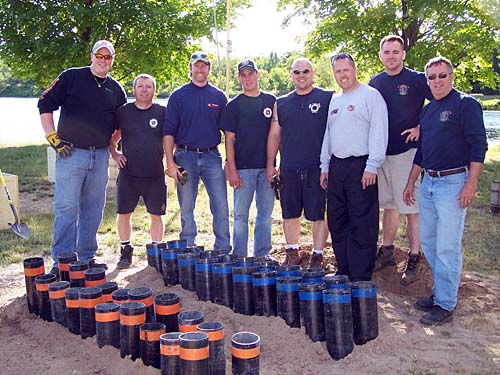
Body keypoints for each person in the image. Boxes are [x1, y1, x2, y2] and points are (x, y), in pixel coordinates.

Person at [403, 56, 487, 325]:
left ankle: (446, 304)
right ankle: (439, 293)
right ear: (426, 81)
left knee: (447, 247)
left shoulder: (466, 104)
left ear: (452, 76)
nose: (437, 81)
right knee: (429, 242)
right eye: (432, 77)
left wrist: (471, 183)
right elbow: (423, 150)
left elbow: (478, 145)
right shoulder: (428, 110)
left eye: (442, 75)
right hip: (428, 182)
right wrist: (410, 182)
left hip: (453, 183)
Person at [38, 40, 127, 275]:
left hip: (99, 157)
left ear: (112, 60)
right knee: (66, 207)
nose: (103, 60)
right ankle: (62, 262)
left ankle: (86, 257)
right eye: (100, 55)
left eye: (108, 57)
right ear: (92, 55)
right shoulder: (71, 78)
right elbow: (44, 103)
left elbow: (121, 124)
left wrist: (112, 145)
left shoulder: (116, 90)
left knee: (93, 208)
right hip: (70, 154)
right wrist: (52, 137)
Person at [369, 35, 433, 285]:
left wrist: (421, 126)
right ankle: (387, 251)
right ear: (381, 55)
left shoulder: (416, 79)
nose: (391, 56)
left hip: (407, 153)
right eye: (387, 52)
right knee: (389, 205)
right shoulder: (375, 83)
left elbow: (439, 100)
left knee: (411, 206)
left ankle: (415, 256)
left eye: (396, 51)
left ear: (403, 54)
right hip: (382, 152)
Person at [320, 53, 388, 281]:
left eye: (345, 69)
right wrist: (325, 166)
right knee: (337, 220)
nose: (342, 74)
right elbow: (328, 135)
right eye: (337, 71)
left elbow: (379, 132)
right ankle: (344, 270)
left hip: (362, 166)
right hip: (337, 167)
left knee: (362, 221)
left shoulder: (370, 96)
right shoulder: (335, 100)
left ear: (354, 69)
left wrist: (372, 166)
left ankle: (360, 275)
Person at [266, 57, 332, 268]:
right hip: (289, 167)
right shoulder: (282, 103)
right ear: (291, 75)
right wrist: (270, 163)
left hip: (318, 167)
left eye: (305, 71)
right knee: (290, 212)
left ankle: (317, 254)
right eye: (297, 72)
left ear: (313, 74)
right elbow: (275, 135)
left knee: (319, 213)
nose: (301, 75)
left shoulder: (327, 98)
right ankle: (292, 251)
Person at [163, 51, 230, 250]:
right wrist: (170, 163)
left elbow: (228, 133)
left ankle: (223, 248)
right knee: (186, 207)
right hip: (185, 156)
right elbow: (168, 133)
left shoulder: (219, 96)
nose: (200, 69)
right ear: (190, 69)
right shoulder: (178, 96)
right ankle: (189, 245)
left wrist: (229, 161)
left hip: (212, 156)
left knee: (221, 205)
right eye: (196, 65)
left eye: (204, 65)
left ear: (209, 68)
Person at [110, 74, 166, 269]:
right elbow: (113, 136)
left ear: (154, 90)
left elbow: (170, 138)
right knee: (124, 213)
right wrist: (115, 153)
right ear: (134, 90)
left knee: (156, 215)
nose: (144, 90)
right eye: (140, 86)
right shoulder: (123, 112)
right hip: (129, 173)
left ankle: (156, 252)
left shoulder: (162, 112)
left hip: (155, 174)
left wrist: (170, 159)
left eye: (148, 87)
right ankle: (125, 251)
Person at [220, 60, 276, 258]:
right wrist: (232, 169)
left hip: (267, 168)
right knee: (241, 215)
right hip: (243, 169)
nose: (247, 78)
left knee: (265, 215)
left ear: (258, 74)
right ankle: (240, 256)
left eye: (250, 74)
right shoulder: (233, 105)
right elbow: (229, 140)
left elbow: (277, 134)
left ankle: (262, 255)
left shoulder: (271, 101)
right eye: (243, 75)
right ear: (238, 78)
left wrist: (274, 165)